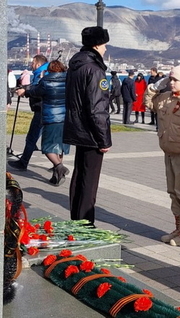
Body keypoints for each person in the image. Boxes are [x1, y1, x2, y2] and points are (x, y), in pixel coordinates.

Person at [63, 26, 112, 226]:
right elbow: (97, 108)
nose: (106, 50)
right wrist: (104, 140)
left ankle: (76, 218)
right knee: (89, 181)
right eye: (104, 45)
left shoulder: (76, 66)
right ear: (97, 45)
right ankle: (85, 223)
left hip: (77, 129)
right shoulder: (94, 70)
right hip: (91, 133)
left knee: (79, 176)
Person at [144, 65, 180, 246]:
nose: (172, 83)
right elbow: (149, 104)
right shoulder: (166, 98)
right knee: (173, 192)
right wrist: (153, 88)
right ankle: (178, 228)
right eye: (171, 79)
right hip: (169, 152)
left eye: (176, 80)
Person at [17, 60, 70, 185]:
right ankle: (57, 176)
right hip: (65, 117)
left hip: (51, 117)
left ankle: (59, 167)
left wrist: (24, 92)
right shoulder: (69, 80)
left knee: (47, 147)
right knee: (60, 146)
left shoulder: (46, 81)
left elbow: (35, 92)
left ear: (50, 69)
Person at [8, 54, 49, 171]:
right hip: (48, 109)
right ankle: (58, 165)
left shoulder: (41, 73)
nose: (31, 65)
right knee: (51, 138)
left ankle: (24, 162)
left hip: (41, 109)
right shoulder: (46, 71)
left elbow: (38, 89)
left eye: (33, 62)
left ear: (38, 64)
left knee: (31, 137)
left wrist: (25, 91)